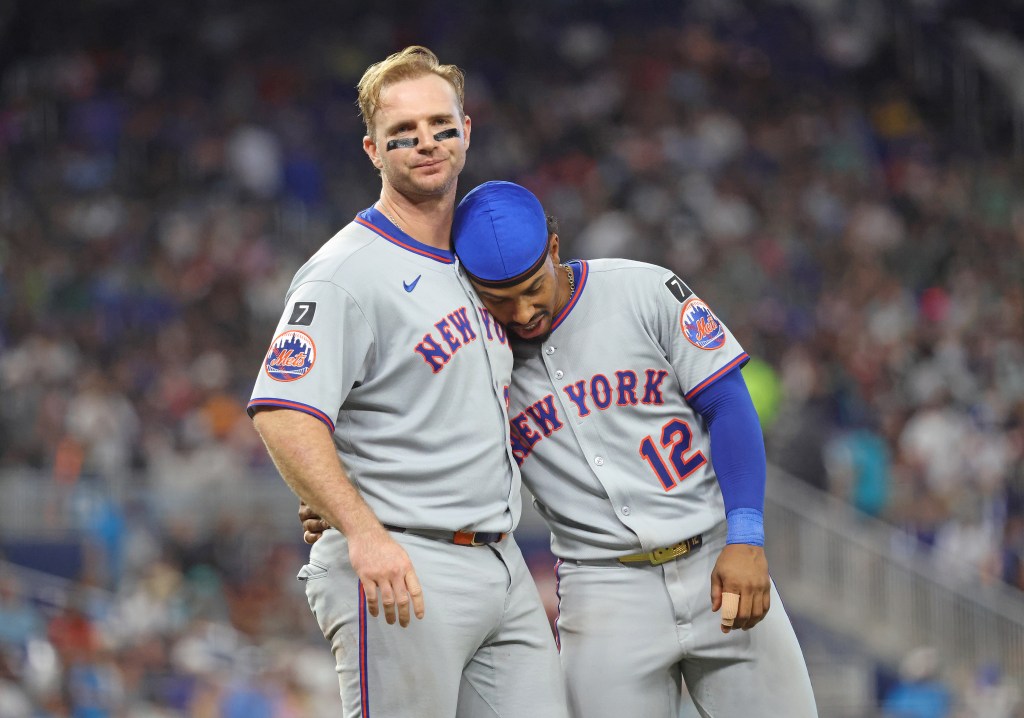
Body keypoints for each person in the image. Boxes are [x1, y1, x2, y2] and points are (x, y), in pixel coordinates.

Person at [305, 180, 819, 717]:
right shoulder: (475, 353)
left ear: (554, 249)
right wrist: (334, 492)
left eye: (533, 290)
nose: (524, 313)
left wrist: (747, 535)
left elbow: (730, 407)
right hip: (604, 588)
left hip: (715, 555)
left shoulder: (641, 290)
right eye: (501, 301)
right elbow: (410, 430)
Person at [248, 51, 567, 718]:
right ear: (372, 148)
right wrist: (358, 528)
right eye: (404, 131)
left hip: (501, 560)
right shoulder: (345, 272)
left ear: (467, 130)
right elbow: (283, 413)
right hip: (403, 561)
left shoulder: (482, 260)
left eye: (440, 123)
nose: (426, 141)